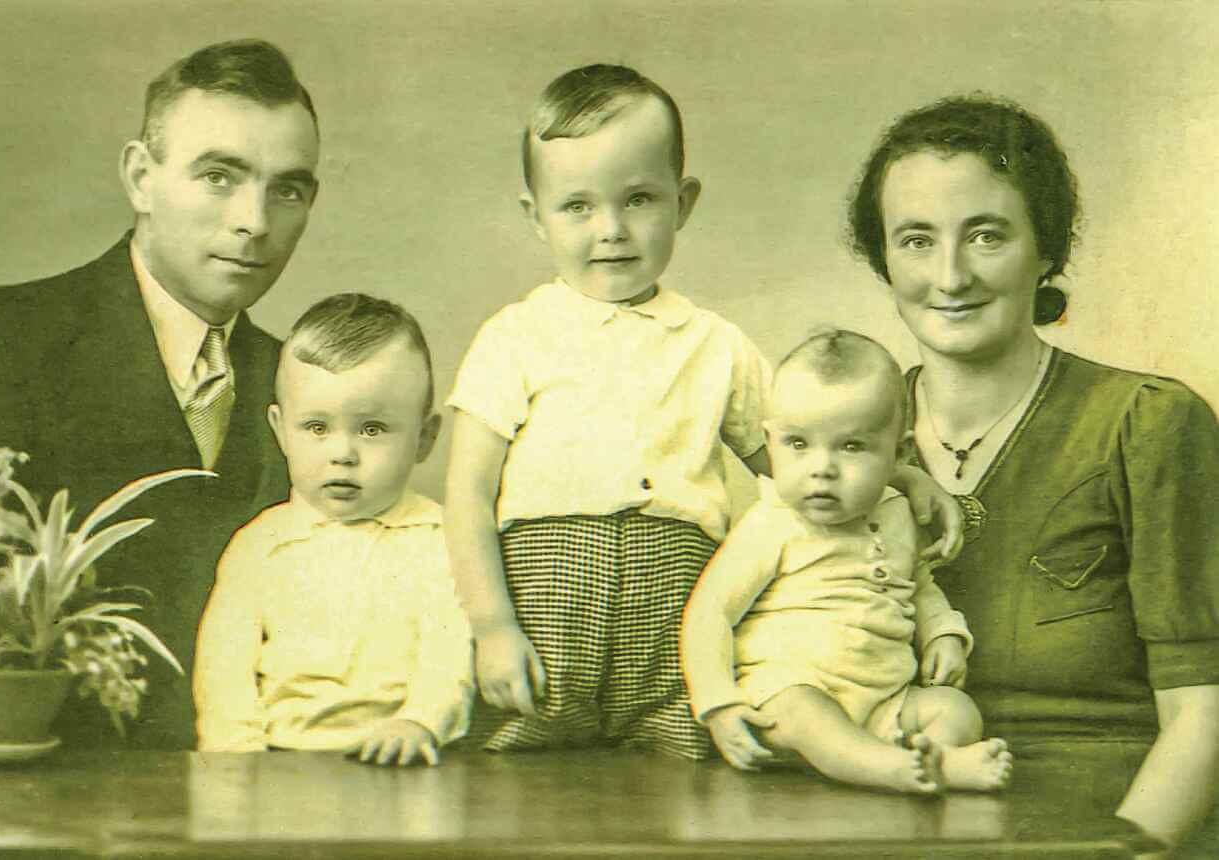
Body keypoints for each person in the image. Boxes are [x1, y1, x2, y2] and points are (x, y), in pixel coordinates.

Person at [444, 64, 961, 759]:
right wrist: (492, 628)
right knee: (507, 776)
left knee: (697, 776)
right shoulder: (512, 337)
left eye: (638, 199)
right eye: (577, 206)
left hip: (676, 612)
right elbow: (467, 496)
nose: (611, 231)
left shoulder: (717, 345)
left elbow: (804, 455)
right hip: (544, 612)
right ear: (534, 216)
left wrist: (906, 480)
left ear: (682, 202)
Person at [848, 95, 1219, 850]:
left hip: (1106, 834)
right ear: (882, 257)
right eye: (915, 240)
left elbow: (1201, 715)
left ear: (1045, 247)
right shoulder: (840, 445)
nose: (948, 275)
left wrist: (1127, 853)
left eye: (985, 235)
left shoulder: (1145, 425)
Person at [0, 39, 320, 749]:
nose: (254, 220)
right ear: (139, 178)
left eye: (288, 188)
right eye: (219, 176)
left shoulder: (306, 385)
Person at [682, 330, 1011, 793]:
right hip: (789, 689)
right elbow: (710, 610)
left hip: (884, 700)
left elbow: (917, 584)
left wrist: (944, 633)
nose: (822, 468)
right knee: (804, 714)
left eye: (851, 446)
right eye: (798, 444)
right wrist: (718, 702)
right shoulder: (772, 523)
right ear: (770, 442)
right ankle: (894, 770)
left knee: (954, 709)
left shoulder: (897, 512)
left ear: (898, 453)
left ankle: (934, 756)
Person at [194, 294, 473, 765]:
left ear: (425, 438)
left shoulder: (440, 538)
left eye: (372, 429)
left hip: (403, 758)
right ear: (281, 431)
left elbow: (450, 653)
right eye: (317, 428)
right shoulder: (260, 545)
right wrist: (234, 754)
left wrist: (421, 720)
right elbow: (223, 669)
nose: (342, 453)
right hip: (275, 761)